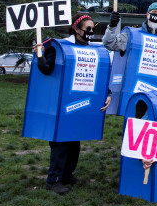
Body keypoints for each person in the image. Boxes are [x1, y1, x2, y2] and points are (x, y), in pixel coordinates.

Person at [34, 12, 111, 195]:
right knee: (61, 144)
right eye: (88, 29)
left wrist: (107, 94)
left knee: (74, 144)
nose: (91, 32)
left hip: (80, 105)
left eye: (94, 29)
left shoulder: (95, 51)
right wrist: (39, 56)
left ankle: (67, 174)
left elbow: (100, 76)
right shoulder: (60, 47)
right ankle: (53, 180)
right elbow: (47, 68)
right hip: (62, 105)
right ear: (76, 29)